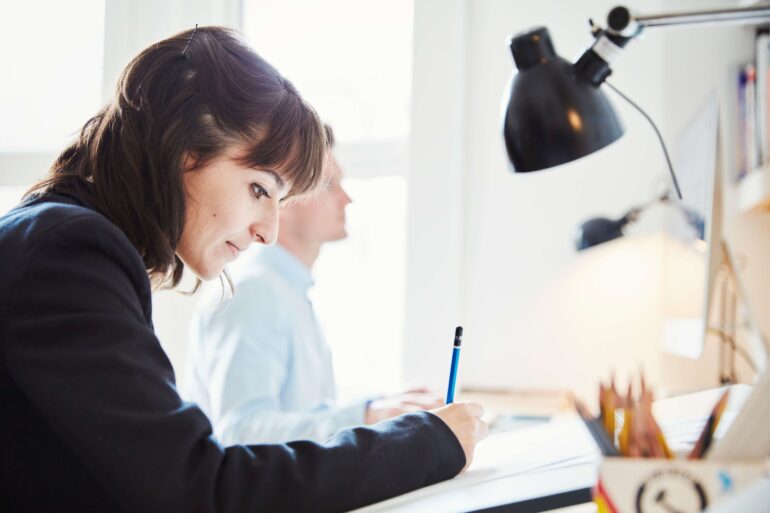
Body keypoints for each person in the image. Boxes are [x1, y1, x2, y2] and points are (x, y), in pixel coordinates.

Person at [0, 26, 488, 513]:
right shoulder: (68, 252)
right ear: (181, 147)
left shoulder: (64, 245)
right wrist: (427, 443)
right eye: (259, 189)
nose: (268, 232)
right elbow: (198, 488)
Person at [185, 124, 443, 444]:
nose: (347, 198)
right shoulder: (252, 293)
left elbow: (299, 414)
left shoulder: (286, 292)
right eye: (330, 185)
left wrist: (381, 406)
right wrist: (367, 415)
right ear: (285, 199)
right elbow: (240, 432)